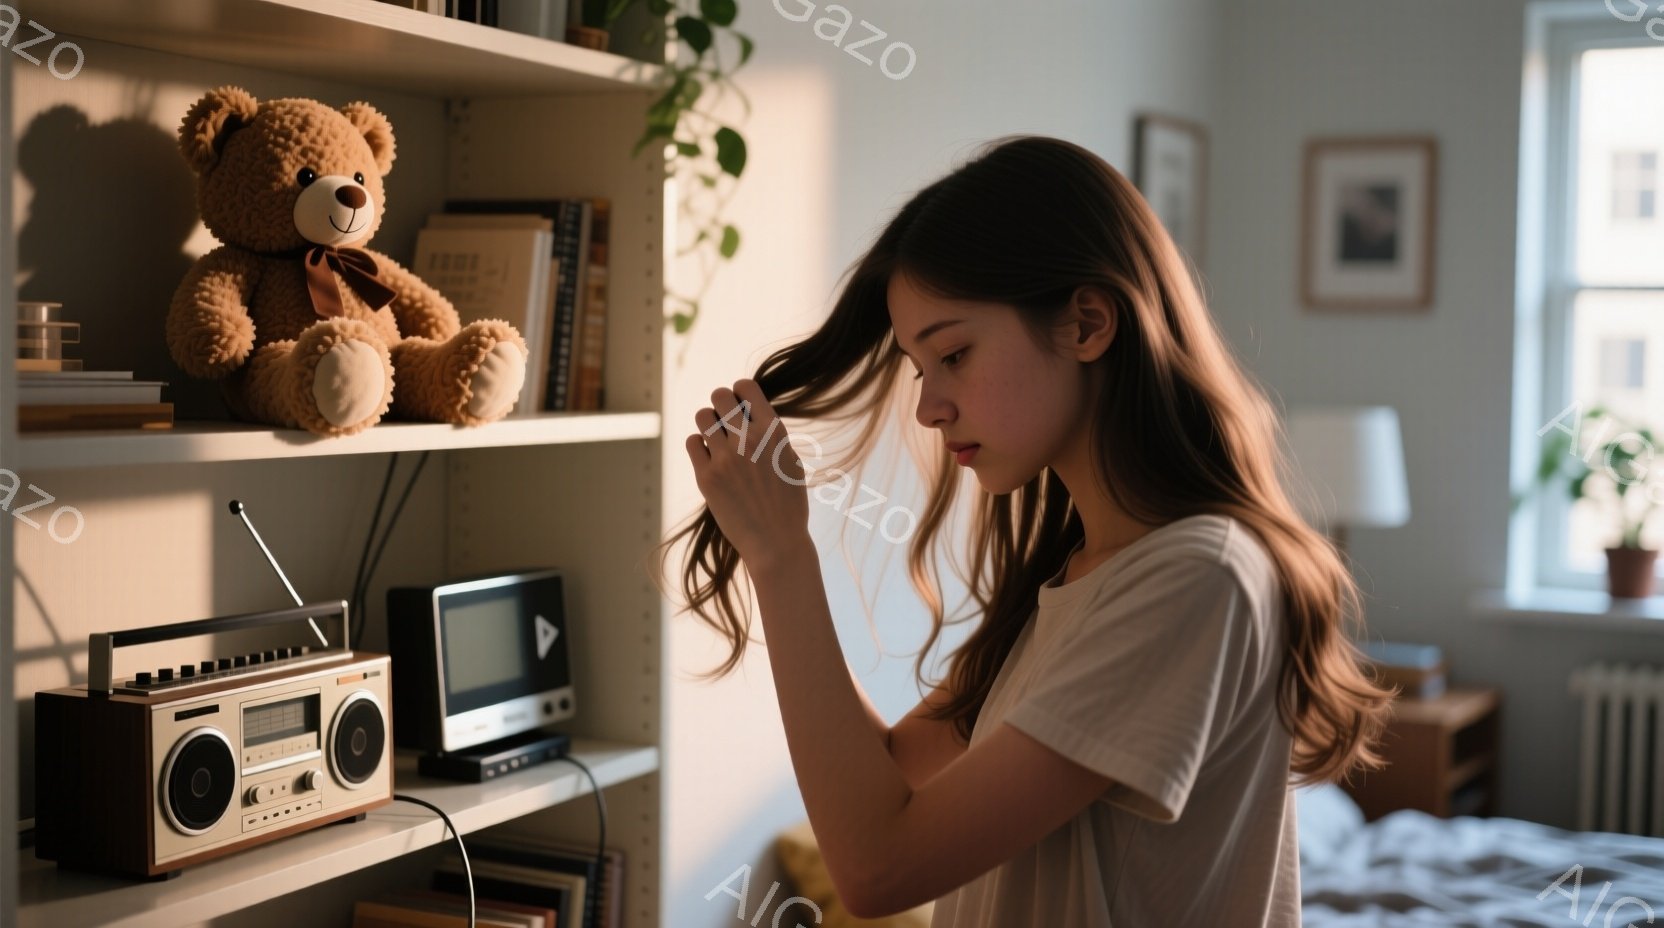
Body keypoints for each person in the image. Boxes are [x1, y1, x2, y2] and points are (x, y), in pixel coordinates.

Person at [659, 134, 1395, 927]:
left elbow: (875, 870)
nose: (929, 406)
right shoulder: (1079, 574)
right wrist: (775, 549)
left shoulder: (1197, 576)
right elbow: (895, 773)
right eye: (918, 368)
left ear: (1086, 323)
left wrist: (783, 558)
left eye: (955, 354)